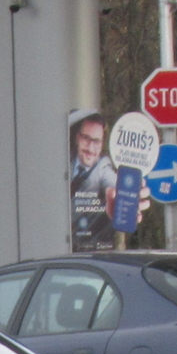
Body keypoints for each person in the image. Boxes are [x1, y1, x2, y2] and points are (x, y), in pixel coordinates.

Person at [68, 109, 115, 254]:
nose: (90, 148)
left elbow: (112, 185)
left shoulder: (103, 167)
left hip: (86, 253)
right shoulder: (65, 161)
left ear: (102, 143)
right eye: (86, 138)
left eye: (96, 141)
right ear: (77, 138)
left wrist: (118, 195)